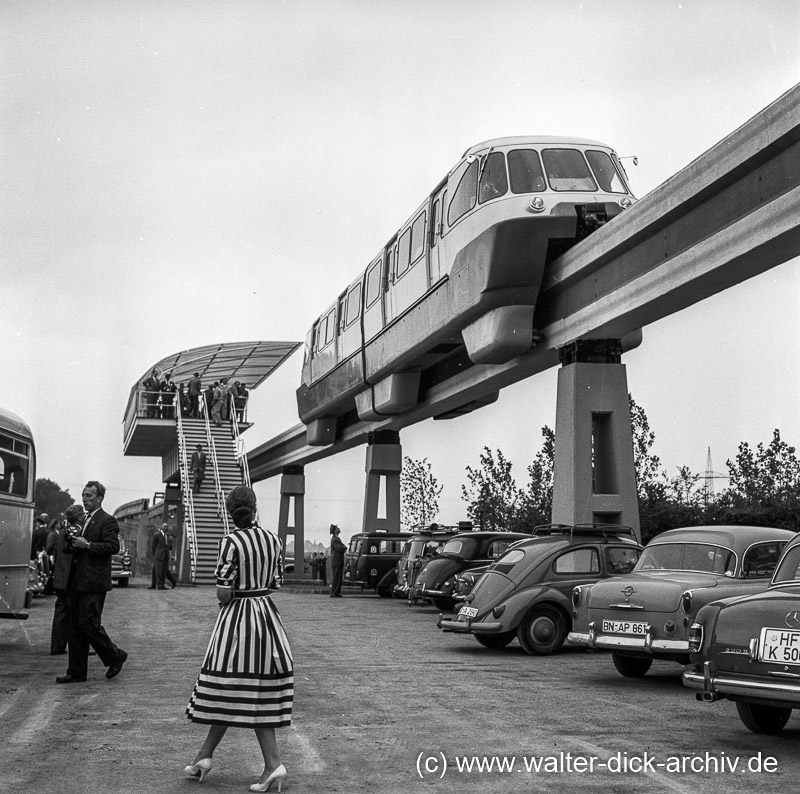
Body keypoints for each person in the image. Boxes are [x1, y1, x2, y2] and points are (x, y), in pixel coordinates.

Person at [185, 485, 293, 792]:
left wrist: (229, 598)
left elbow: (224, 590)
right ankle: (204, 756)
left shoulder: (230, 542)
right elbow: (275, 582)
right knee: (245, 690)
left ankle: (273, 765)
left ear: (230, 511)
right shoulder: (273, 540)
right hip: (266, 616)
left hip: (237, 618)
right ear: (256, 508)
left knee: (232, 685)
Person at [56, 481, 128, 684]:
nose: (84, 499)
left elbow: (112, 546)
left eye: (89, 496)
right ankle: (77, 671)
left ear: (99, 498)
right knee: (74, 626)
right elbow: (76, 548)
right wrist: (72, 543)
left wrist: (87, 545)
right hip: (77, 580)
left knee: (89, 624)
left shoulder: (107, 521)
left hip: (94, 582)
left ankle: (115, 655)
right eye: (83, 495)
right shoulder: (81, 520)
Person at [50, 505, 83, 655]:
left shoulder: (63, 530)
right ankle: (79, 646)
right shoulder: (77, 530)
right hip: (70, 578)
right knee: (76, 614)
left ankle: (57, 645)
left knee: (61, 612)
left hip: (60, 577)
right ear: (78, 516)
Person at [150, 523, 176, 590]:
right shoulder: (157, 535)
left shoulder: (167, 536)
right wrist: (155, 554)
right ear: (161, 527)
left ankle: (155, 584)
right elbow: (153, 546)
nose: (166, 528)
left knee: (163, 570)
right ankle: (160, 585)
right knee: (158, 571)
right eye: (164, 526)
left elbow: (170, 547)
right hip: (158, 555)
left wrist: (169, 543)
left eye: (167, 527)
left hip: (165, 556)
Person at [329, 524, 346, 598]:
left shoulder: (336, 539)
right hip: (337, 561)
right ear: (335, 530)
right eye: (337, 528)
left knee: (338, 577)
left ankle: (337, 592)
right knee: (336, 577)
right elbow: (341, 548)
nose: (339, 529)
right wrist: (344, 547)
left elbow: (342, 547)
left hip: (338, 561)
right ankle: (334, 592)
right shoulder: (335, 539)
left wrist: (343, 547)